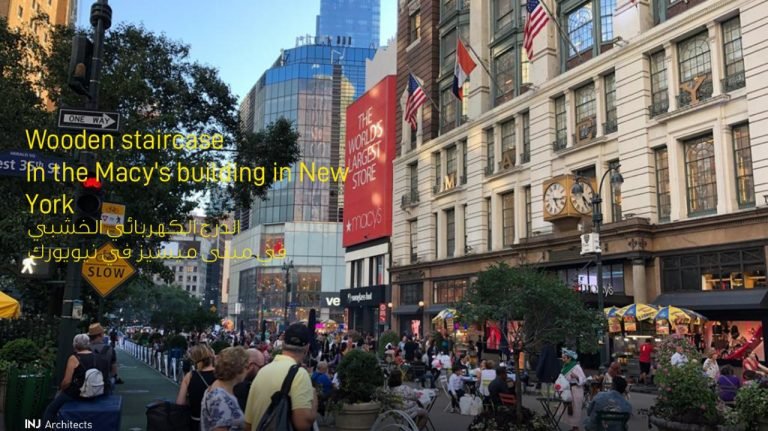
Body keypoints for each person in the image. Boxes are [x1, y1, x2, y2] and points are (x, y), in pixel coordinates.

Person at [243, 323, 318, 431]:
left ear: (282, 344)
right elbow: (303, 424)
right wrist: (314, 400)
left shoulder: (262, 371)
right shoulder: (300, 374)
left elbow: (248, 424)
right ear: (307, 348)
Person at [42, 334, 103, 424]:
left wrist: (61, 389)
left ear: (75, 345)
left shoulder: (74, 358)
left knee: (50, 410)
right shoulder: (95, 356)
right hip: (93, 391)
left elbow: (67, 381)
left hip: (76, 393)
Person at [200, 346, 249, 431]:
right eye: (246, 367)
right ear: (238, 368)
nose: (247, 371)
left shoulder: (216, 388)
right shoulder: (220, 398)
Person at [177, 344, 217, 431]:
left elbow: (180, 403)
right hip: (216, 423)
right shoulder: (220, 375)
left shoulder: (190, 376)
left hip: (196, 421)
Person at [561, 348, 587, 431]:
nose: (563, 359)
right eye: (563, 357)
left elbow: (583, 379)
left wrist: (576, 377)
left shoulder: (576, 366)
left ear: (570, 358)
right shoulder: (565, 367)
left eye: (565, 358)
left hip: (576, 389)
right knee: (569, 409)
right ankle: (573, 427)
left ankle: (576, 428)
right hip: (568, 389)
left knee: (575, 409)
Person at [88, 323, 117, 392]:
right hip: (105, 385)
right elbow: (114, 371)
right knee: (112, 379)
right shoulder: (110, 349)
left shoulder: (84, 348)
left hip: (87, 385)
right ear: (101, 335)